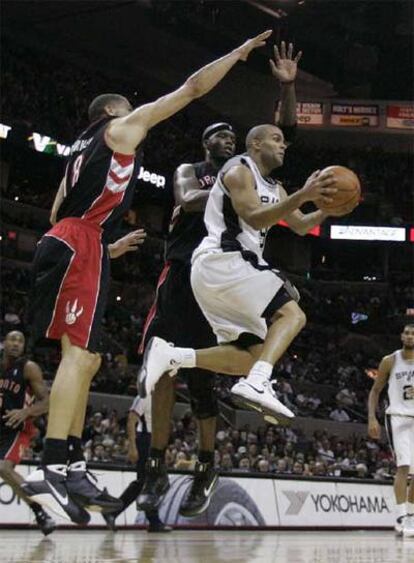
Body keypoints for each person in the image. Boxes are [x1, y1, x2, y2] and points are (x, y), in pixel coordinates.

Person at [21, 29, 274, 523]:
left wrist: (99, 245)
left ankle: (72, 458)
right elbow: (191, 89)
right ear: (116, 112)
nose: (139, 115)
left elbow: (57, 211)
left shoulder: (78, 148)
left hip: (76, 240)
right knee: (78, 357)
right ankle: (55, 459)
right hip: (80, 243)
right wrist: (237, 55)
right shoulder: (120, 131)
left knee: (89, 359)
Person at [138, 41, 301, 517]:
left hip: (226, 276)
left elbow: (284, 132)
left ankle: (206, 465)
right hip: (187, 269)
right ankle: (156, 465)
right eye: (219, 134)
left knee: (207, 378)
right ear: (206, 144)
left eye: (234, 135)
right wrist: (228, 184)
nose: (227, 138)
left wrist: (286, 87)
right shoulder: (199, 171)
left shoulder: (250, 171)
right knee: (162, 373)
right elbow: (187, 197)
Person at [0, 331, 55, 535]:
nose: (15, 344)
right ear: (4, 343)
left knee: (4, 468)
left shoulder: (28, 368)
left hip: (18, 429)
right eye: (12, 339)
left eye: (20, 341)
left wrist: (26, 412)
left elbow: (48, 401)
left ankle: (40, 512)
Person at [368, 323, 414, 537]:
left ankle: (411, 516)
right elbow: (375, 391)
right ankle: (401, 515)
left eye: (413, 333)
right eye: (406, 332)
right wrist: (372, 418)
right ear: (401, 335)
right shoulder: (390, 360)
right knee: (403, 467)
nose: (410, 336)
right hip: (398, 417)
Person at [103, 393, 171, 533]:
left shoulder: (163, 396)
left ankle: (152, 521)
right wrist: (132, 447)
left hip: (156, 440)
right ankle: (114, 511)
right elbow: (131, 420)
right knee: (144, 482)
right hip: (145, 440)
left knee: (155, 482)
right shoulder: (144, 396)